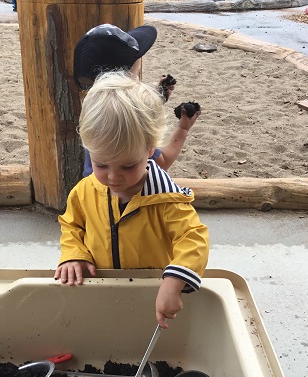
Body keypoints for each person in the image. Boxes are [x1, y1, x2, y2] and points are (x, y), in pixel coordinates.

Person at [54, 72, 209, 329]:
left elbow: (193, 237)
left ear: (150, 150)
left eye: (128, 165)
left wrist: (174, 281)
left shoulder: (165, 199)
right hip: (101, 288)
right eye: (101, 164)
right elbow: (72, 225)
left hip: (151, 291)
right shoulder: (85, 190)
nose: (114, 177)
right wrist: (74, 254)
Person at [73, 23, 200, 177]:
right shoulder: (133, 127)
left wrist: (154, 97)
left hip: (92, 189)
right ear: (125, 79)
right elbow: (163, 162)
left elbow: (120, 109)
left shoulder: (93, 108)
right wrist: (183, 129)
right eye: (137, 74)